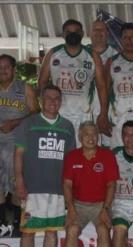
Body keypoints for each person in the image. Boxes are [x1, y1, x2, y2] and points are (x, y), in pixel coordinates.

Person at [14, 85, 76, 247]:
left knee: (51, 231)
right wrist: (19, 180)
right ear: (41, 101)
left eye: (56, 98)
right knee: (28, 231)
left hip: (57, 189)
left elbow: (70, 160)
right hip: (32, 189)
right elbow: (18, 154)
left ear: (61, 102)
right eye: (48, 98)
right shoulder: (28, 123)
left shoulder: (68, 126)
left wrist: (69, 187)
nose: (52, 102)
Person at [38, 19, 111, 145]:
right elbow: (42, 83)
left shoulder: (92, 55)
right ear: (63, 35)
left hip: (83, 115)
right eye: (68, 32)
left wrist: (103, 113)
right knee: (58, 152)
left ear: (82, 34)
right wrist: (44, 107)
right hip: (58, 113)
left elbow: (101, 86)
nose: (73, 34)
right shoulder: (53, 53)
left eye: (76, 32)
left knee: (85, 153)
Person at [63, 121, 119, 247]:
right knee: (72, 230)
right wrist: (70, 208)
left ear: (98, 137)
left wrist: (106, 208)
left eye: (94, 134)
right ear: (80, 137)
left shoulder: (107, 155)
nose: (91, 137)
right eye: (86, 134)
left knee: (103, 230)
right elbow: (67, 185)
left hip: (100, 205)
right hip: (78, 204)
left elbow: (111, 185)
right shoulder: (71, 156)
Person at [0, 54, 39, 236]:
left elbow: (35, 114)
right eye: (0, 67)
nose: (3, 70)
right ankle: (1, 224)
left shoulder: (25, 88)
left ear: (14, 70)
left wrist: (14, 123)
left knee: (17, 184)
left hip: (17, 143)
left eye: (6, 67)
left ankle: (16, 224)